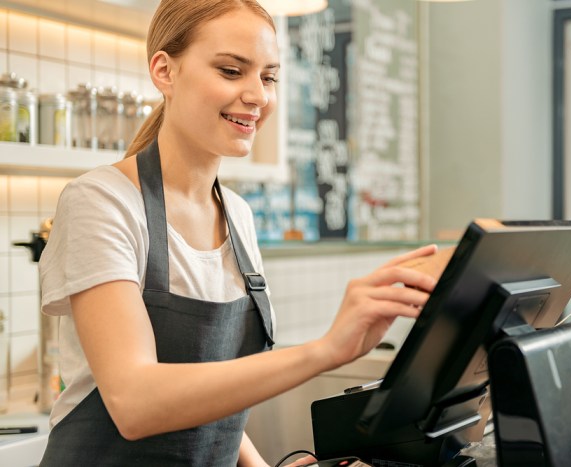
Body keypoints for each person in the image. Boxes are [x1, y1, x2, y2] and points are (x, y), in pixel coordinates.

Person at [37, 1, 438, 465]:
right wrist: (327, 350)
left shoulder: (238, 216)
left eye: (268, 77)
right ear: (164, 71)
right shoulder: (101, 201)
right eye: (231, 71)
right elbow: (136, 402)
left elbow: (210, 396)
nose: (258, 96)